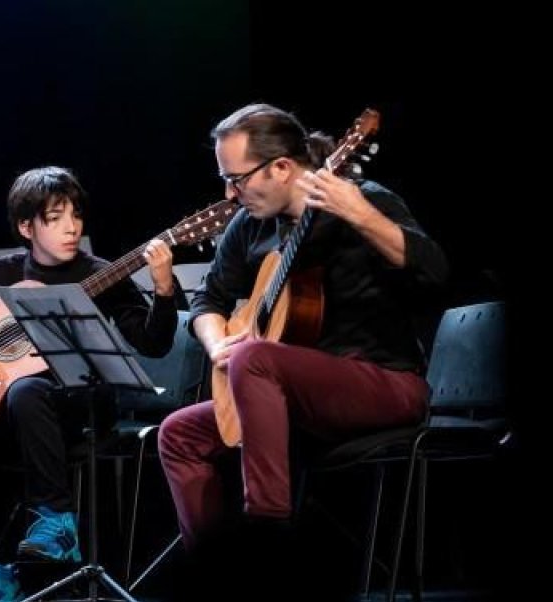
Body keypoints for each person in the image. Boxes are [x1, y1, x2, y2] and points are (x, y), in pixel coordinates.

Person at [157, 103, 449, 551]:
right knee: (180, 434)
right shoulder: (251, 227)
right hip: (291, 397)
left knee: (256, 360)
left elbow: (435, 272)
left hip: (384, 383)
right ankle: (217, 583)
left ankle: (268, 544)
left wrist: (361, 216)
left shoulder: (365, 198)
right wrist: (217, 344)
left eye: (238, 179)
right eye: (225, 181)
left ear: (282, 167)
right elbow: (207, 300)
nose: (232, 194)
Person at [0, 165, 181, 602]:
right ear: (26, 226)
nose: (72, 227)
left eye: (75, 215)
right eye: (55, 217)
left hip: (75, 411)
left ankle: (56, 523)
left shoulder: (103, 274)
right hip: (4, 421)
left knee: (28, 391)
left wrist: (164, 288)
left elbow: (154, 343)